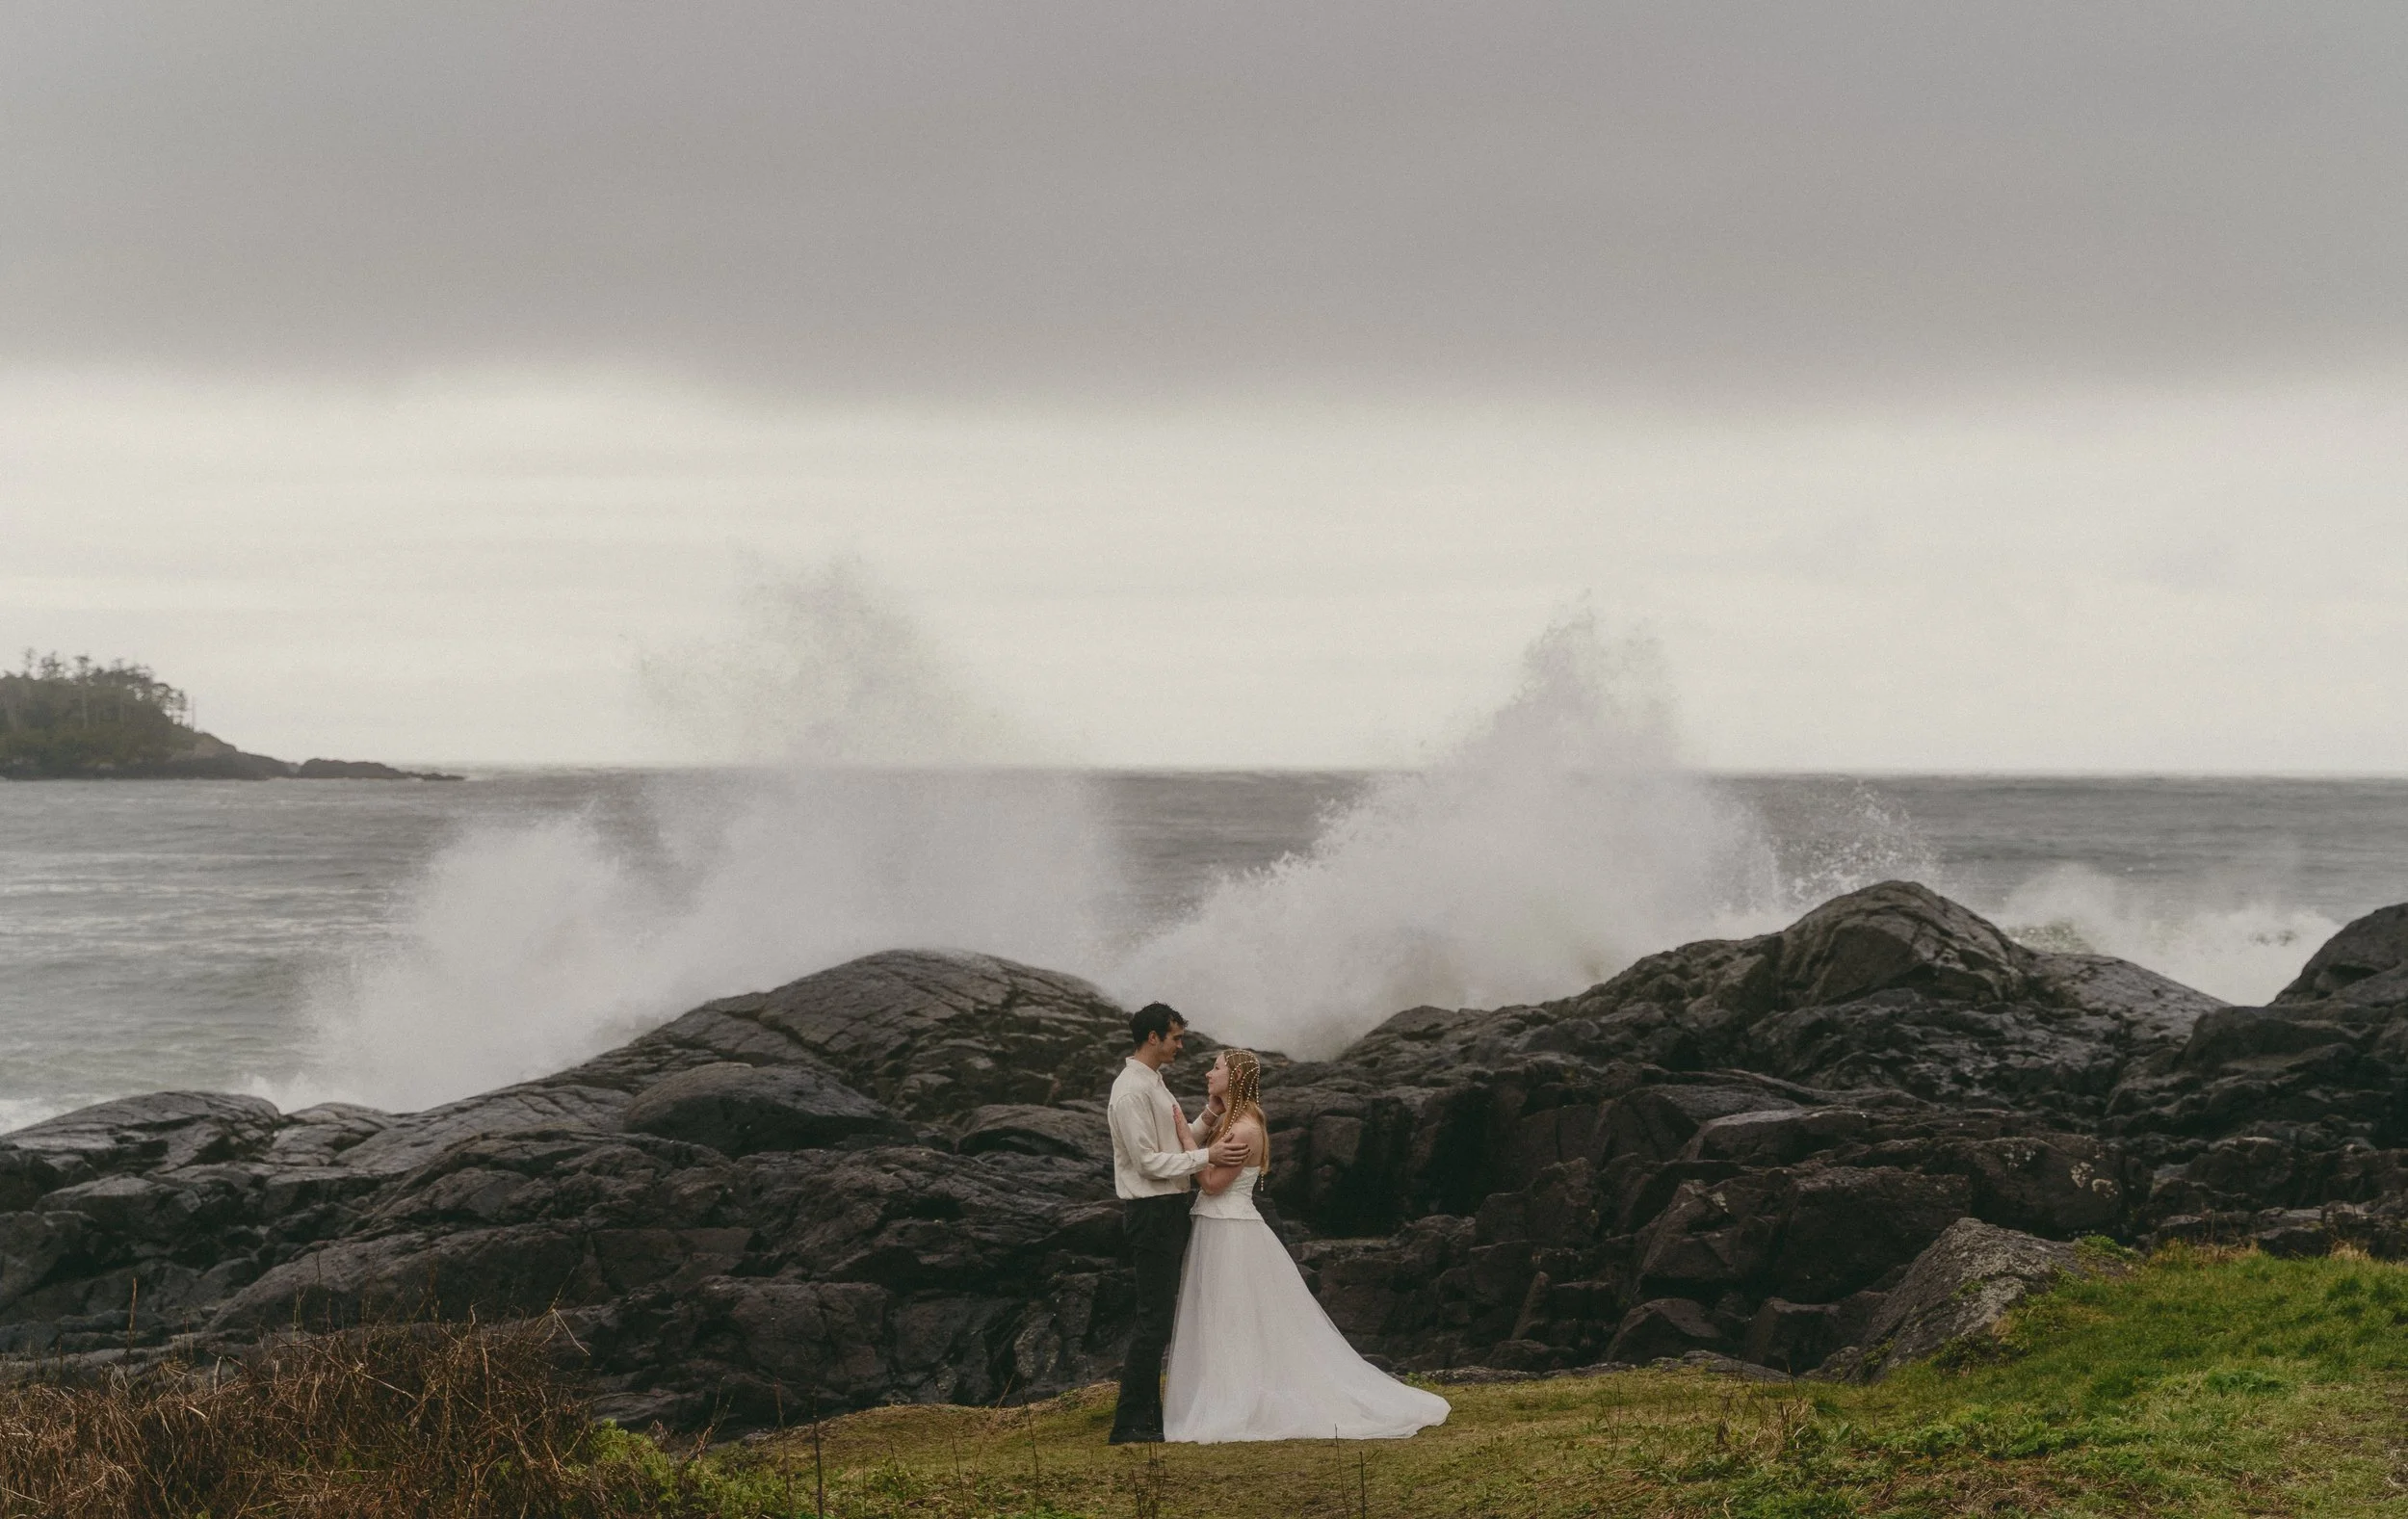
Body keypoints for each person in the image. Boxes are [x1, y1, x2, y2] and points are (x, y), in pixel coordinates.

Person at [1162, 1048, 1452, 1443]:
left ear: (1236, 1077)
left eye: (1216, 1068)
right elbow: (1206, 1159)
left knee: (1232, 1314)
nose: (1208, 1072)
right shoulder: (1230, 1119)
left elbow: (1212, 1184)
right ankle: (1226, 1391)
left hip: (1230, 1230)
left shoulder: (1244, 1128)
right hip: (1219, 1225)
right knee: (1225, 1313)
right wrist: (1206, 1117)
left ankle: (1237, 1399)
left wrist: (1183, 1139)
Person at [1106, 1002, 1249, 1445]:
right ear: (1153, 1038)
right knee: (1154, 1319)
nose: (1181, 1046)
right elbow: (1149, 1162)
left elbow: (1173, 1141)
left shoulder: (1153, 1083)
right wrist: (1209, 1156)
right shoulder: (1131, 1090)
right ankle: (1129, 1425)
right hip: (1151, 1212)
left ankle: (1149, 1419)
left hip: (1167, 1210)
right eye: (1176, 1038)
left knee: (1160, 1317)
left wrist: (1207, 1117)